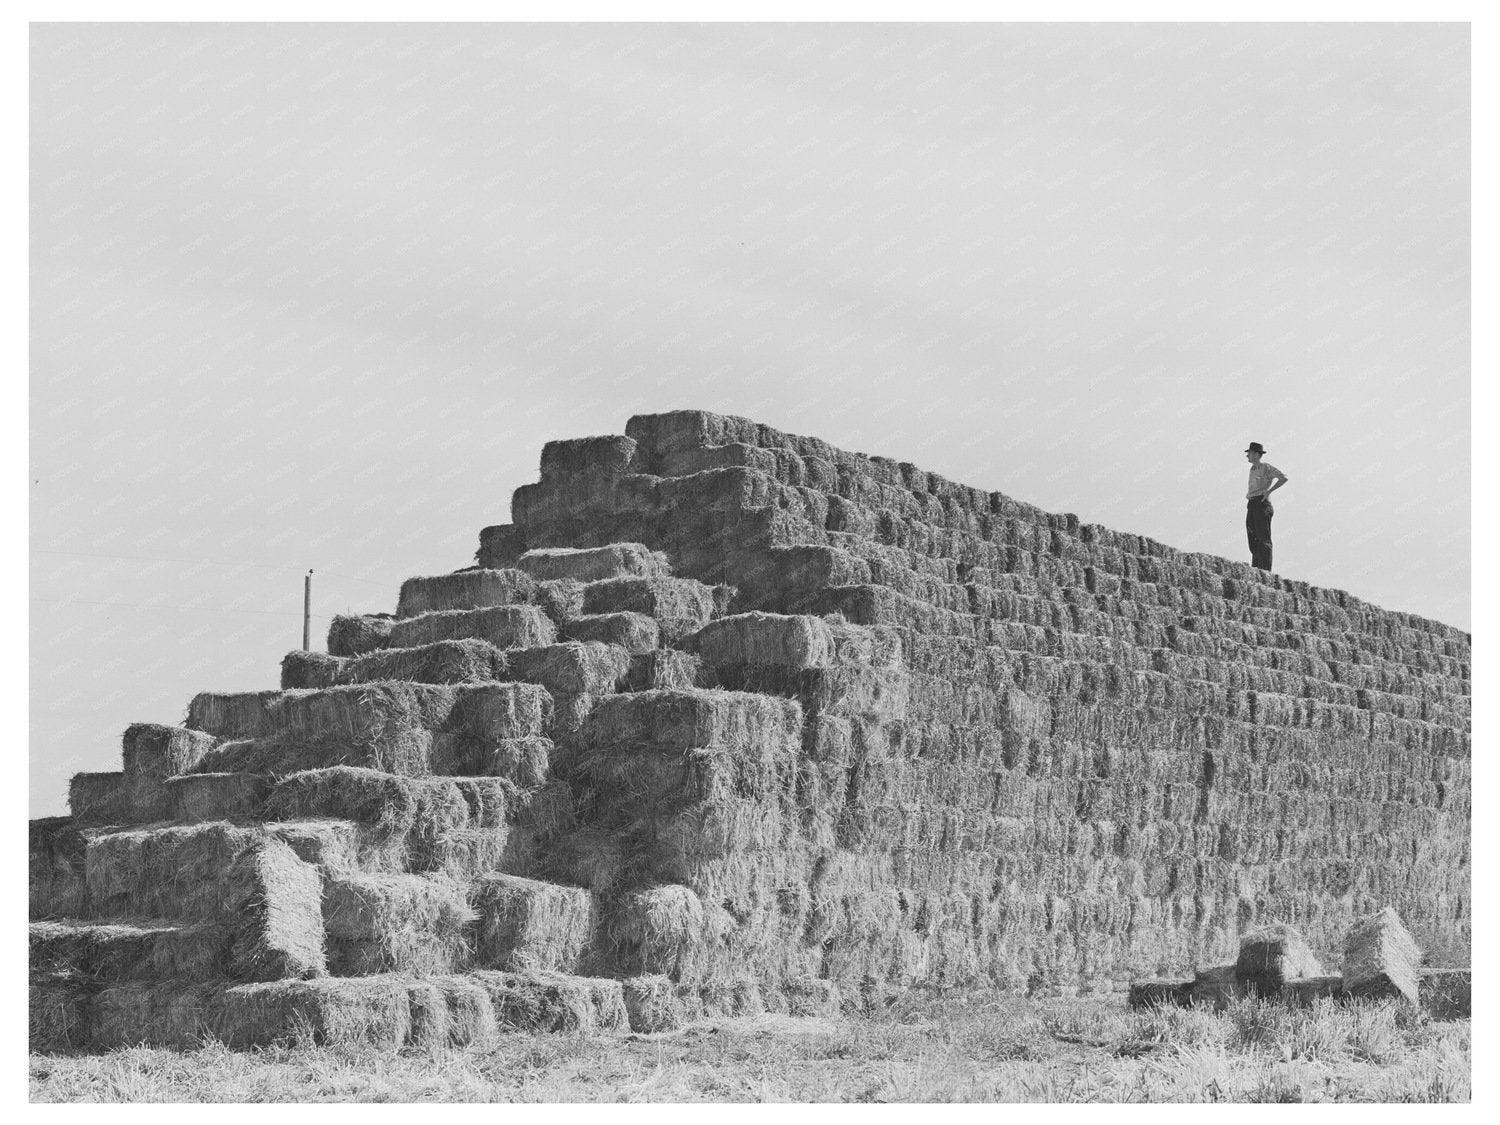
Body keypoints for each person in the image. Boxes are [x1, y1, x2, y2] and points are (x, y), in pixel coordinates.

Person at [1244, 442, 1288, 571]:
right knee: (1252, 536)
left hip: (1262, 504)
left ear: (1257, 455)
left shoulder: (1265, 467)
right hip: (1252, 503)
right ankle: (1256, 569)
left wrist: (1269, 491)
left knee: (1263, 538)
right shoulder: (1252, 469)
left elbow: (1283, 478)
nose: (1247, 456)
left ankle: (1265, 570)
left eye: (1250, 453)